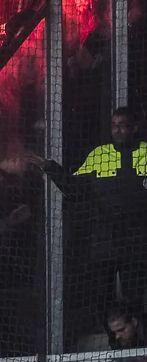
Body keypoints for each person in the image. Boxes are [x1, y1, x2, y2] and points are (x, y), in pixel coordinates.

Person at [33, 108, 147, 334]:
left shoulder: (145, 152)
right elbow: (75, 191)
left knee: (136, 298)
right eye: (114, 125)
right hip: (103, 244)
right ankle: (112, 343)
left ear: (135, 128)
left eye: (123, 125)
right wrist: (51, 169)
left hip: (137, 244)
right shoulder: (99, 155)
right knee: (101, 298)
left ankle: (138, 344)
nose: (117, 130)